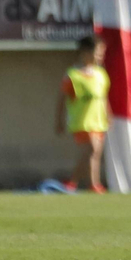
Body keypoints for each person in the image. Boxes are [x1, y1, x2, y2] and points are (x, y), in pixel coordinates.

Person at [54, 36, 111, 193]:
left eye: (102, 53)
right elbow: (62, 99)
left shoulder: (101, 74)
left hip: (98, 120)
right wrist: (59, 121)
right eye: (97, 52)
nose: (100, 56)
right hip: (82, 121)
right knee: (92, 149)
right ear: (85, 52)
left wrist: (108, 114)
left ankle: (88, 183)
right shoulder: (73, 75)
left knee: (95, 153)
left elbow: (104, 97)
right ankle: (77, 181)